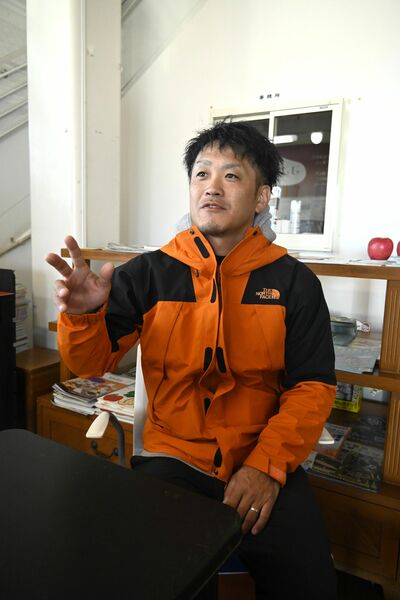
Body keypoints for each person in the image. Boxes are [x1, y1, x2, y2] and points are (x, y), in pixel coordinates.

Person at [46, 121, 338, 599]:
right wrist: (83, 317)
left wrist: (266, 466)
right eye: (202, 174)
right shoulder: (149, 273)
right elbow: (91, 364)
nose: (212, 187)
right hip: (173, 459)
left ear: (261, 197)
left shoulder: (294, 283)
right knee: (171, 584)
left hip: (262, 455)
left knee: (311, 586)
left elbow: (313, 387)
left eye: (231, 175)